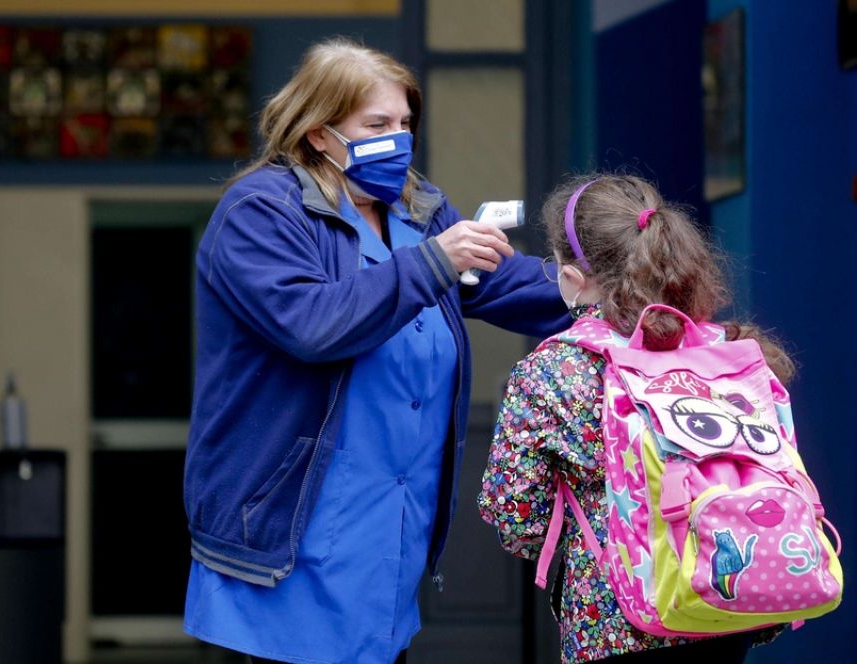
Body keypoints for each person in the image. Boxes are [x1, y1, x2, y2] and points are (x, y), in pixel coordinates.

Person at [182, 37, 570, 664]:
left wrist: (612, 294)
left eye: (406, 123)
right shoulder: (260, 211)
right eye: (378, 124)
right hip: (287, 543)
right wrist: (433, 263)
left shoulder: (416, 208)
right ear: (318, 132)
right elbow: (313, 324)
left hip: (387, 538)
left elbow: (504, 283)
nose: (399, 139)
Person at [477, 173, 793, 663]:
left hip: (616, 618)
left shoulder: (553, 370)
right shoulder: (727, 351)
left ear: (571, 279)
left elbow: (516, 517)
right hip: (727, 601)